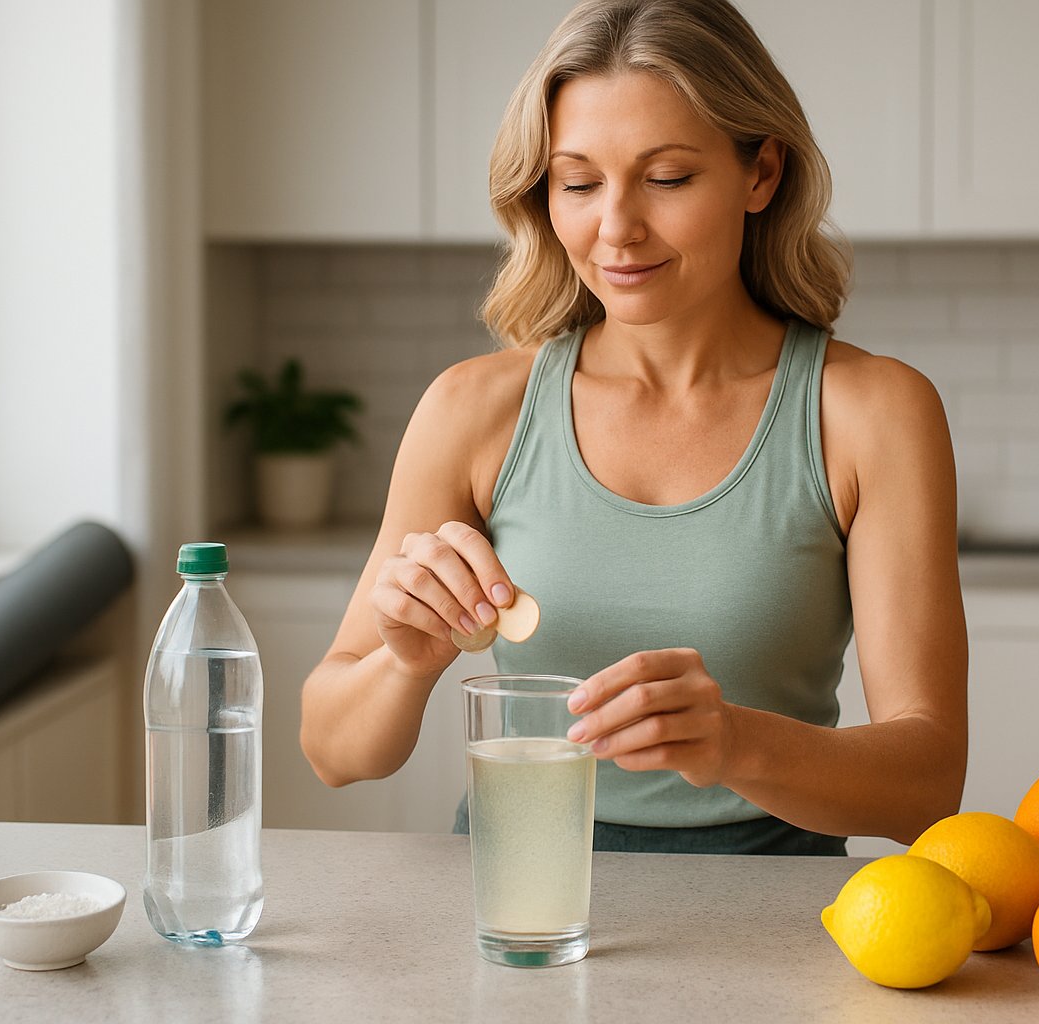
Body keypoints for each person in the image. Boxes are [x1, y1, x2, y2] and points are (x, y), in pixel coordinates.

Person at [299, 0, 967, 856]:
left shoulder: (871, 412)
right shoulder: (473, 411)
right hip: (522, 911)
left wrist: (734, 742)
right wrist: (407, 661)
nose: (615, 227)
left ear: (761, 173)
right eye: (578, 183)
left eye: (667, 178)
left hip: (769, 928)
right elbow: (333, 751)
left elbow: (930, 781)